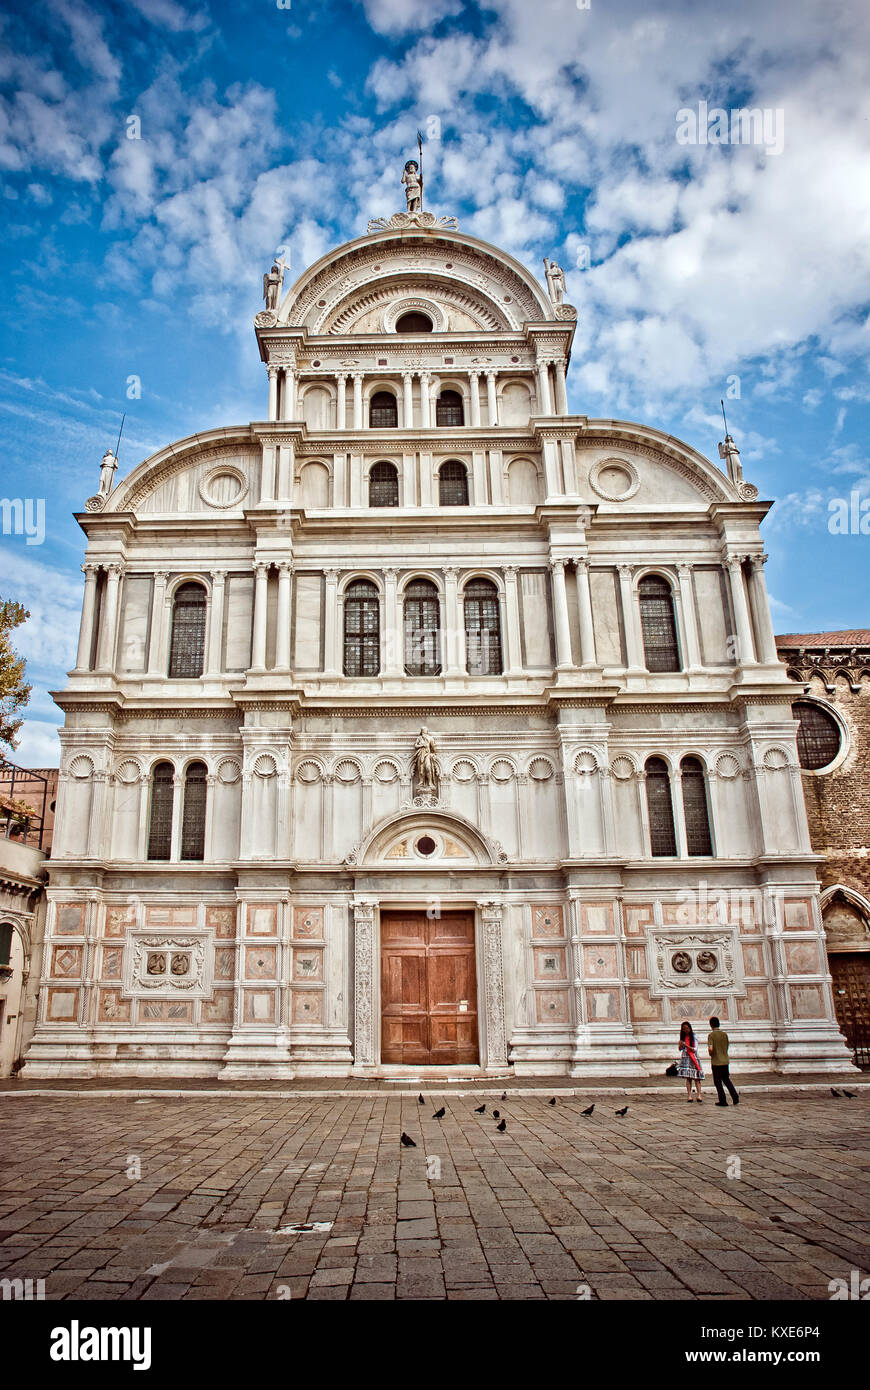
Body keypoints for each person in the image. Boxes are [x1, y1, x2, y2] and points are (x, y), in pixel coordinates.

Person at [707, 1016, 740, 1107]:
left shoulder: (711, 1035)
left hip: (716, 1061)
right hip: (725, 1060)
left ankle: (723, 1100)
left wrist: (711, 1053)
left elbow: (711, 1049)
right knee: (726, 1080)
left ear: (711, 1025)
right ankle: (735, 1097)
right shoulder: (724, 1034)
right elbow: (727, 1045)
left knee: (718, 1082)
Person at [677, 1020, 704, 1101]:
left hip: (693, 1057)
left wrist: (686, 1045)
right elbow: (680, 1049)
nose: (686, 1030)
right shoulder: (683, 1038)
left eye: (687, 1028)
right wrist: (681, 1045)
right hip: (686, 1058)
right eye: (684, 1029)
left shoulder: (694, 1037)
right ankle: (689, 1095)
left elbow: (695, 1049)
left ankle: (699, 1095)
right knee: (688, 1078)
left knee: (696, 1078)